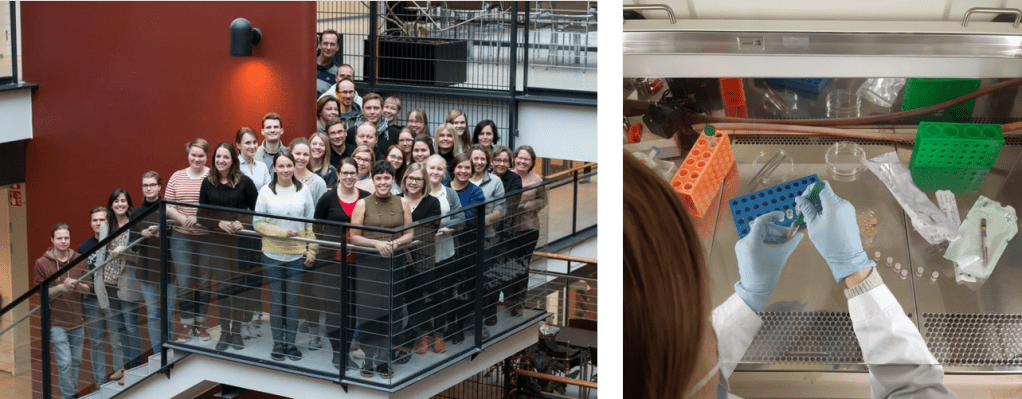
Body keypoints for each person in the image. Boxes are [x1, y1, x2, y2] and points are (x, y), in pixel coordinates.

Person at [622, 153, 958, 398]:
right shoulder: (680, 369)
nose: (705, 326)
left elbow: (679, 357)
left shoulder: (662, 378)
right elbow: (918, 390)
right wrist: (857, 272)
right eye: (696, 316)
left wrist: (749, 296)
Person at [349, 161, 414, 379]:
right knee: (368, 313)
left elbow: (409, 234)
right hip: (369, 264)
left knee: (392, 312)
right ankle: (369, 358)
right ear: (373, 179)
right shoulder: (362, 204)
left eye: (387, 177)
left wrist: (396, 244)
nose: (383, 182)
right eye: (379, 178)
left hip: (394, 264)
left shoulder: (403, 202)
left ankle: (385, 359)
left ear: (393, 179)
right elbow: (354, 236)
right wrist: (375, 244)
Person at [254, 150, 318, 362]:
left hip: (296, 256)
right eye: (280, 166)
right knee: (276, 300)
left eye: (288, 165)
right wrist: (282, 233)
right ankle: (277, 344)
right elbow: (258, 223)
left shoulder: (304, 191)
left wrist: (312, 250)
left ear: (294, 166)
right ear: (274, 168)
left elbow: (310, 224)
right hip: (271, 255)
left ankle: (290, 344)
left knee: (291, 301)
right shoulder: (265, 191)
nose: (285, 170)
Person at [198, 142, 260, 352]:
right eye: (218, 157)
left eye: (225, 157)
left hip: (241, 242)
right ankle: (225, 332)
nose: (221, 161)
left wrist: (242, 222)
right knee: (224, 289)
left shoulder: (245, 182)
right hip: (218, 243)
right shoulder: (208, 183)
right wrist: (218, 224)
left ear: (233, 160)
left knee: (239, 289)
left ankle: (237, 332)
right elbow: (201, 215)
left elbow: (257, 211)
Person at [312, 158, 371, 369]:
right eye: (344, 173)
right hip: (332, 265)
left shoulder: (366, 198)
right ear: (338, 174)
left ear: (358, 174)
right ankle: (338, 355)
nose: (348, 177)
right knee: (335, 310)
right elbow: (316, 228)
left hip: (359, 264)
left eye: (352, 173)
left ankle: (346, 351)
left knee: (352, 310)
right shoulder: (327, 198)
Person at [93, 189, 144, 386]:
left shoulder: (135, 223)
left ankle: (135, 367)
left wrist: (123, 253)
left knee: (131, 326)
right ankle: (127, 366)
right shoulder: (106, 225)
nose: (119, 204)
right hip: (108, 282)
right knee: (120, 327)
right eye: (116, 201)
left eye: (123, 201)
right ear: (111, 204)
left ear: (129, 203)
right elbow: (101, 253)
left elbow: (139, 255)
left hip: (127, 281)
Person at [166, 139, 214, 343]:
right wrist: (181, 218)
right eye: (193, 155)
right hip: (181, 237)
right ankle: (186, 326)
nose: (197, 159)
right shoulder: (177, 177)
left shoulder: (213, 176)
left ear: (206, 156)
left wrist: (200, 219)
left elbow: (218, 204)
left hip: (207, 238)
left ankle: (200, 325)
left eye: (201, 155)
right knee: (184, 282)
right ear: (188, 154)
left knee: (203, 282)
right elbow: (168, 205)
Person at [36, 223, 90, 399]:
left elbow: (87, 289)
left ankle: (70, 394)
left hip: (77, 321)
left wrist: (76, 285)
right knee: (65, 363)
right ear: (52, 240)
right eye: (59, 238)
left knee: (76, 362)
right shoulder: (42, 263)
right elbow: (42, 294)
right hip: (56, 322)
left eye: (66, 238)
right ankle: (69, 397)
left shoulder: (80, 259)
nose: (63, 241)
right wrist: (60, 288)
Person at [130, 171, 178, 355]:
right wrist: (141, 235)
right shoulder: (135, 213)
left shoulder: (168, 209)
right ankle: (158, 352)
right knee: (152, 315)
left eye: (152, 185)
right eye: (145, 185)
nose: (148, 188)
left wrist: (161, 231)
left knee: (169, 313)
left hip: (168, 268)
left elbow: (177, 235)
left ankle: (170, 347)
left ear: (159, 187)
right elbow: (131, 243)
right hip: (146, 270)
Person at [398, 163, 442, 356]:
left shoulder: (432, 203)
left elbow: (427, 232)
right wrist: (412, 229)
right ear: (404, 179)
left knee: (417, 305)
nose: (414, 182)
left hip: (422, 261)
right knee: (400, 303)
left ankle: (407, 343)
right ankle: (397, 341)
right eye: (410, 178)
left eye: (418, 179)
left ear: (424, 182)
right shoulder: (396, 200)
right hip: (399, 261)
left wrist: (403, 231)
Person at [444, 152, 485, 345]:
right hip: (445, 245)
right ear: (453, 169)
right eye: (459, 167)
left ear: (472, 170)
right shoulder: (443, 189)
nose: (463, 171)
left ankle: (459, 326)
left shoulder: (476, 192)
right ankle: (448, 326)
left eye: (467, 167)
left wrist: (450, 222)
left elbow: (470, 218)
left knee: (463, 288)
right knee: (445, 287)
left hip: (468, 247)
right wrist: (455, 221)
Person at [424, 154, 464, 352]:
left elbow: (461, 218)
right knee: (424, 296)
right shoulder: (417, 190)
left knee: (444, 294)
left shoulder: (450, 193)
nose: (435, 172)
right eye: (431, 168)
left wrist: (448, 228)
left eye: (439, 169)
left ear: (444, 172)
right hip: (423, 255)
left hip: (446, 252)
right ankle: (424, 334)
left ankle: (439, 334)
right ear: (425, 168)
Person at [78, 206, 121, 388]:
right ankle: (100, 383)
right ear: (90, 223)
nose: (98, 223)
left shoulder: (115, 241)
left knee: (116, 339)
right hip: (91, 301)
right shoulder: (84, 247)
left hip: (112, 298)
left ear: (108, 221)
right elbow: (81, 274)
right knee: (96, 343)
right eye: (95, 220)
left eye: (102, 220)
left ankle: (120, 378)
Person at [466, 144, 505, 336]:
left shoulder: (495, 181)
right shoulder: (461, 178)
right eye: (476, 158)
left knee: (482, 281)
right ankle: (464, 321)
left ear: (488, 161)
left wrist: (480, 221)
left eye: (483, 159)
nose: (479, 162)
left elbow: (500, 210)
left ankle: (478, 324)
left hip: (486, 239)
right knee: (465, 281)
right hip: (463, 240)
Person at [508, 145, 546, 317]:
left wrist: (528, 206)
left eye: (527, 159)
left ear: (532, 162)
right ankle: (507, 298)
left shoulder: (537, 179)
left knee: (522, 266)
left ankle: (519, 302)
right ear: (514, 158)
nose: (522, 161)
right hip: (507, 229)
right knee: (506, 264)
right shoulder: (506, 175)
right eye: (520, 158)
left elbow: (543, 201)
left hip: (528, 228)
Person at [489, 145, 523, 317]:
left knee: (499, 270)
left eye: (505, 160)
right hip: (487, 234)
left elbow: (510, 206)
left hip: (504, 234)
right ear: (492, 161)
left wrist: (492, 213)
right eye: (498, 160)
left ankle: (495, 308)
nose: (501, 163)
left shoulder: (515, 179)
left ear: (509, 162)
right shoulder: (486, 177)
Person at [346, 93, 399, 158]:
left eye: (376, 108)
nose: (372, 112)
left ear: (382, 110)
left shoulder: (394, 134)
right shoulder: (351, 133)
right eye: (368, 108)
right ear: (362, 110)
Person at [288, 137, 329, 204]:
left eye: (305, 154)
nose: (301, 158)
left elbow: (321, 212)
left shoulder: (318, 183)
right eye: (298, 153)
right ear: (290, 154)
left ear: (310, 156)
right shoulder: (282, 178)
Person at [316, 30, 340, 97]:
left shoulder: (337, 73)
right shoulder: (306, 63)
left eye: (332, 44)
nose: (328, 47)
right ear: (320, 45)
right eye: (325, 43)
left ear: (337, 47)